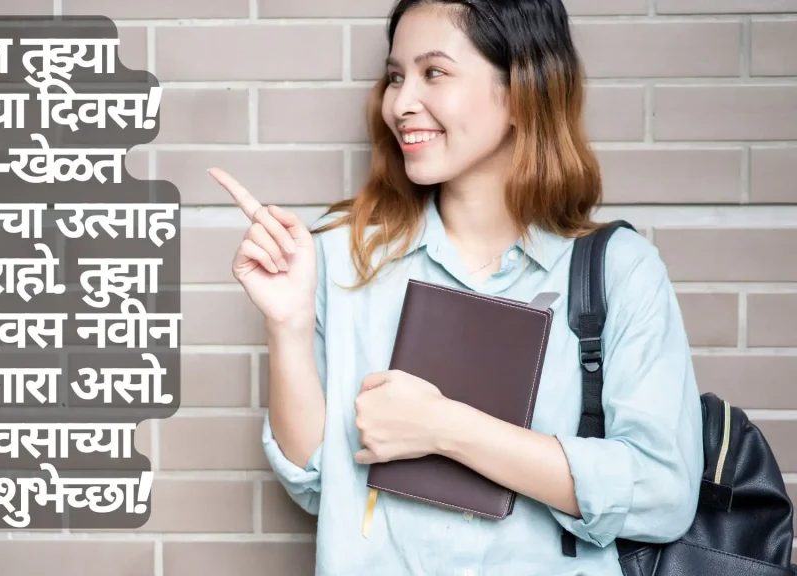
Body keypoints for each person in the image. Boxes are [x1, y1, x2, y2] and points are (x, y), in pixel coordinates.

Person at [207, 0, 704, 574]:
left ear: (523, 91)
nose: (400, 103)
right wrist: (287, 326)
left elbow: (662, 494)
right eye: (396, 77)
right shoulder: (341, 256)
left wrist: (446, 428)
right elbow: (316, 484)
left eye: (433, 72)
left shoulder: (618, 269)